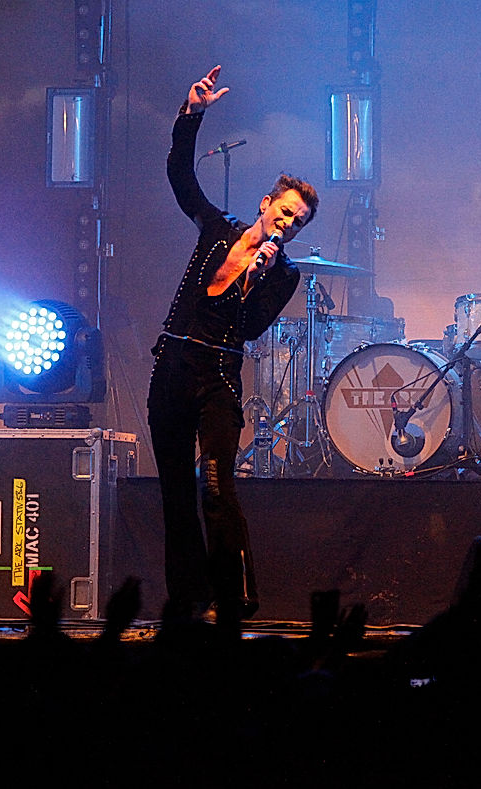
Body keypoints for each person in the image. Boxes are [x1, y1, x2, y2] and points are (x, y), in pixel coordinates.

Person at [148, 66, 319, 623]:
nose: (290, 223)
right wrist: (191, 114)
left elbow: (247, 328)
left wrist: (258, 272)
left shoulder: (284, 274)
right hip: (172, 363)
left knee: (216, 487)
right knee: (175, 491)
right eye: (287, 210)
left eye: (299, 222)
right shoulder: (216, 229)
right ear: (268, 202)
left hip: (217, 378)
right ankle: (188, 602)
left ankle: (235, 602)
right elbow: (179, 176)